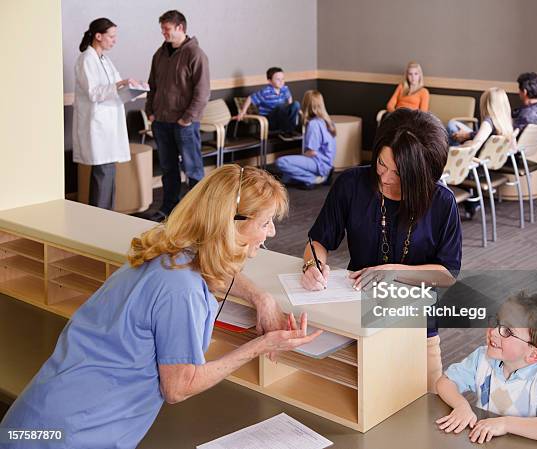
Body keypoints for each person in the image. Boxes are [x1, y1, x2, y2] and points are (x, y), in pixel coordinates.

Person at [0, 165, 321, 449]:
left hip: (39, 416)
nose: (272, 232)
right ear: (232, 224)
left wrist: (260, 297)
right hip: (76, 433)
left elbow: (213, 264)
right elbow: (179, 387)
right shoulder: (182, 290)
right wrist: (261, 345)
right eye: (265, 223)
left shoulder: (168, 251)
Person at [301, 108, 462, 393]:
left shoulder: (442, 202)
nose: (385, 177)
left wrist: (393, 272)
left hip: (416, 329)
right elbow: (319, 241)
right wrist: (311, 266)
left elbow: (447, 274)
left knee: (424, 409)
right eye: (381, 164)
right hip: (356, 322)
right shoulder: (351, 184)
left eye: (398, 173)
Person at [436, 292, 537, 444]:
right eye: (497, 322)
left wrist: (505, 423)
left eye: (508, 331)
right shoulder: (482, 358)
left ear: (533, 355)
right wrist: (461, 406)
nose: (493, 332)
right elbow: (445, 382)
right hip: (483, 441)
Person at [146, 10, 210, 222]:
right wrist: (151, 112)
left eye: (167, 29)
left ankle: (197, 214)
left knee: (193, 169)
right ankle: (169, 209)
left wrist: (187, 118)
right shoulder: (160, 54)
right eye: (162, 28)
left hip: (184, 124)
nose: (163, 33)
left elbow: (202, 92)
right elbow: (152, 86)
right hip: (161, 122)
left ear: (180, 28)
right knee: (168, 169)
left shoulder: (196, 54)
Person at [72, 18, 133, 210]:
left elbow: (114, 88)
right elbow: (94, 92)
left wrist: (131, 88)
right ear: (98, 36)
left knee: (109, 173)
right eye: (111, 36)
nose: (114, 40)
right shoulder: (86, 59)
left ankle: (108, 217)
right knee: (103, 173)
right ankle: (99, 221)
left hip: (109, 125)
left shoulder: (105, 60)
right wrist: (118, 85)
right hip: (97, 126)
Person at [446, 87, 516, 218]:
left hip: (475, 168)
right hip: (487, 164)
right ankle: (470, 201)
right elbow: (514, 148)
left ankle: (471, 200)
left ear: (487, 104)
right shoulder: (506, 121)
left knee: (450, 141)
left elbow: (473, 148)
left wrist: (462, 146)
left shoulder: (488, 123)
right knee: (452, 127)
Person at [275, 90, 336, 189]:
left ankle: (314, 179)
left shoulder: (314, 124)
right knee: (285, 178)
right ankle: (319, 176)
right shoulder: (327, 121)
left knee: (281, 162)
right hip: (327, 162)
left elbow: (312, 152)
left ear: (306, 104)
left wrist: (301, 157)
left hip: (319, 163)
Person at [236, 67, 301, 141]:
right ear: (270, 81)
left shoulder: (285, 89)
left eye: (282, 79)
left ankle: (290, 130)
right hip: (270, 120)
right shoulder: (265, 92)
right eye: (278, 79)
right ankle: (285, 132)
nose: (281, 81)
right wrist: (243, 112)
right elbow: (250, 98)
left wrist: (291, 107)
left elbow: (289, 97)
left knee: (296, 104)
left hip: (282, 119)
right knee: (280, 106)